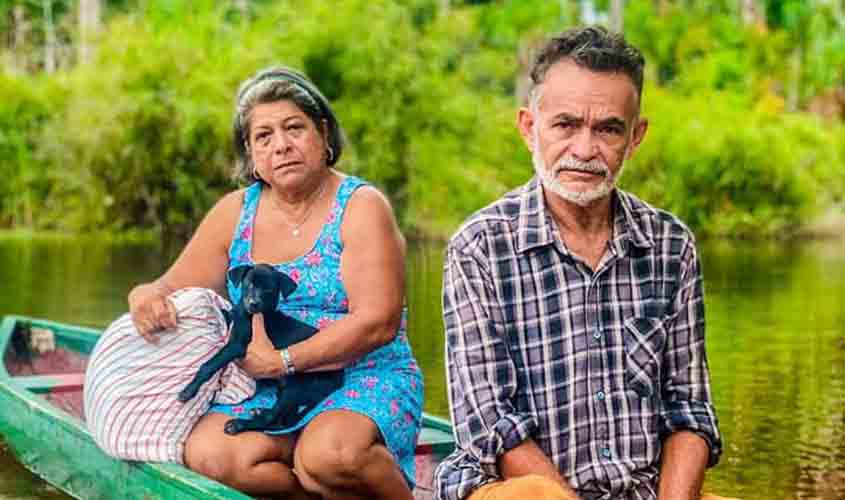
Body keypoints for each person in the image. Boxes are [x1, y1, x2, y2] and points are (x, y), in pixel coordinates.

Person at [435, 26, 722, 500]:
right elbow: (491, 423)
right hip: (515, 489)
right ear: (530, 127)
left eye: (608, 129)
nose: (585, 150)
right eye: (566, 125)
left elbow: (688, 409)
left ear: (635, 137)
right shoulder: (480, 246)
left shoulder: (671, 244)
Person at [127, 66, 423, 500]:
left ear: (323, 135)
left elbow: (377, 322)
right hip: (266, 386)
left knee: (327, 457)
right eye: (263, 137)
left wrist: (283, 360)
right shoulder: (235, 212)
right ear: (251, 153)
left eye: (294, 128)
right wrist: (144, 295)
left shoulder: (361, 206)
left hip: (361, 376)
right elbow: (169, 286)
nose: (281, 145)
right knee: (210, 454)